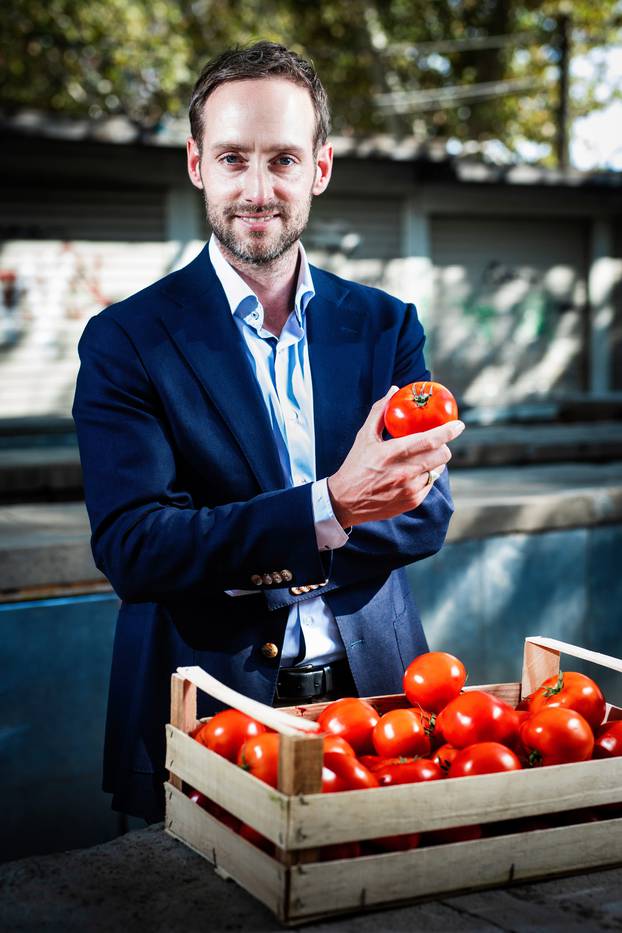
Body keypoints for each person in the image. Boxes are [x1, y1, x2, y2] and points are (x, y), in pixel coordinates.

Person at [72, 41, 465, 823]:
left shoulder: (386, 327)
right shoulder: (127, 340)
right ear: (197, 165)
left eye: (282, 159)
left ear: (319, 167)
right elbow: (136, 547)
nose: (258, 189)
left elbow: (425, 513)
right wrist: (332, 508)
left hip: (379, 700)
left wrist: (254, 542)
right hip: (204, 706)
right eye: (233, 159)